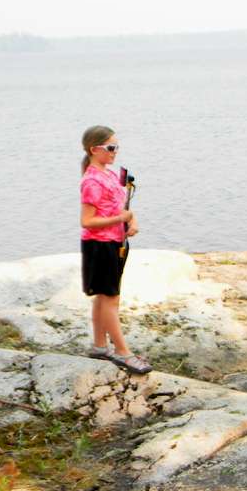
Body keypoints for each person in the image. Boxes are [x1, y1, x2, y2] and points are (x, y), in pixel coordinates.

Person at [79, 125, 151, 374]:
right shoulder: (91, 181)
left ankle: (100, 346)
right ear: (94, 149)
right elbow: (87, 221)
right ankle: (123, 352)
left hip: (115, 242)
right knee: (111, 299)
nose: (115, 152)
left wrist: (132, 220)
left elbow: (120, 206)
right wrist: (121, 218)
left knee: (103, 296)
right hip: (100, 245)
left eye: (117, 147)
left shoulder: (109, 175)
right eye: (111, 147)